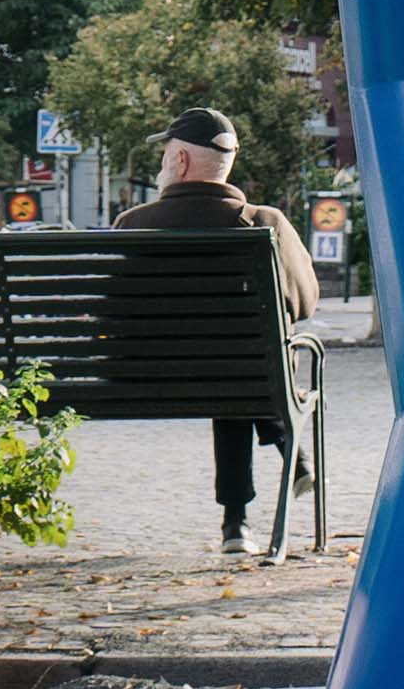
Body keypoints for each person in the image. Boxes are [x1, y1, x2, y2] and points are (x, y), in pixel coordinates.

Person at [114, 106, 320, 556]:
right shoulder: (265, 224)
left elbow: (110, 315)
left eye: (166, 154)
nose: (162, 164)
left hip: (140, 383)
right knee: (243, 367)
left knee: (234, 369)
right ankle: (247, 510)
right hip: (244, 380)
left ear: (182, 162)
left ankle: (237, 523)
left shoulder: (132, 226)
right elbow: (305, 304)